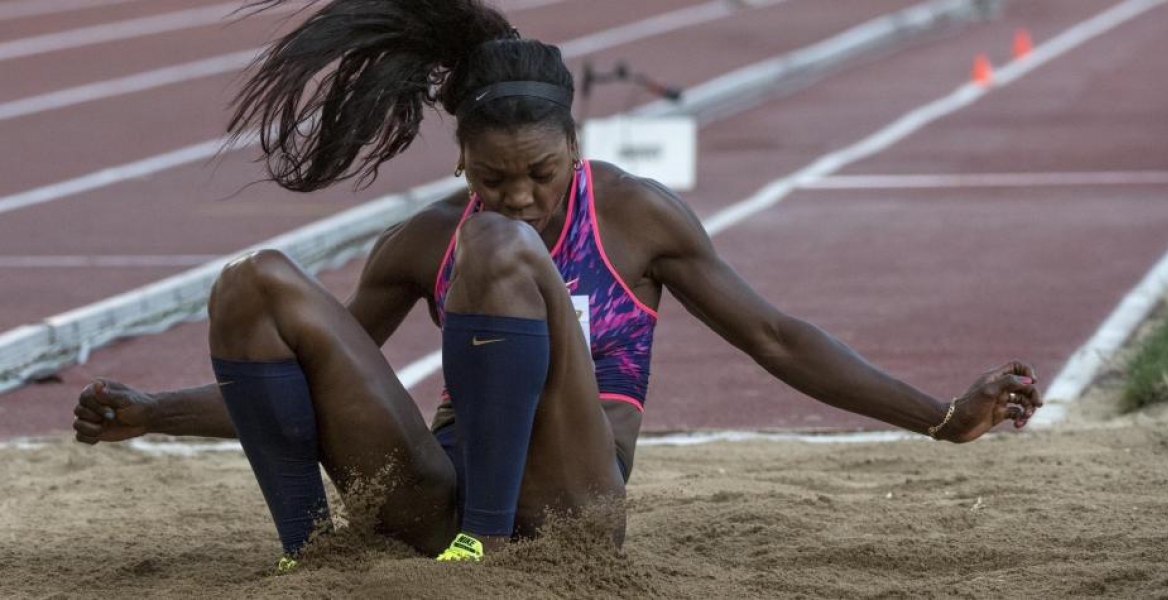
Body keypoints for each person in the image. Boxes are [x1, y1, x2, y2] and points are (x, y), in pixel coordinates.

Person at [71, 0, 1042, 569]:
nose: (521, 195)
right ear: (461, 162)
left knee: (502, 257)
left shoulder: (635, 216)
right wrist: (154, 410)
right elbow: (317, 390)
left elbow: (776, 338)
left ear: (574, 147)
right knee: (257, 281)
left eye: (539, 173)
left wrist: (936, 415)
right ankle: (307, 553)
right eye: (494, 180)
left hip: (568, 506)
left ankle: (481, 553)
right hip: (437, 487)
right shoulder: (427, 239)